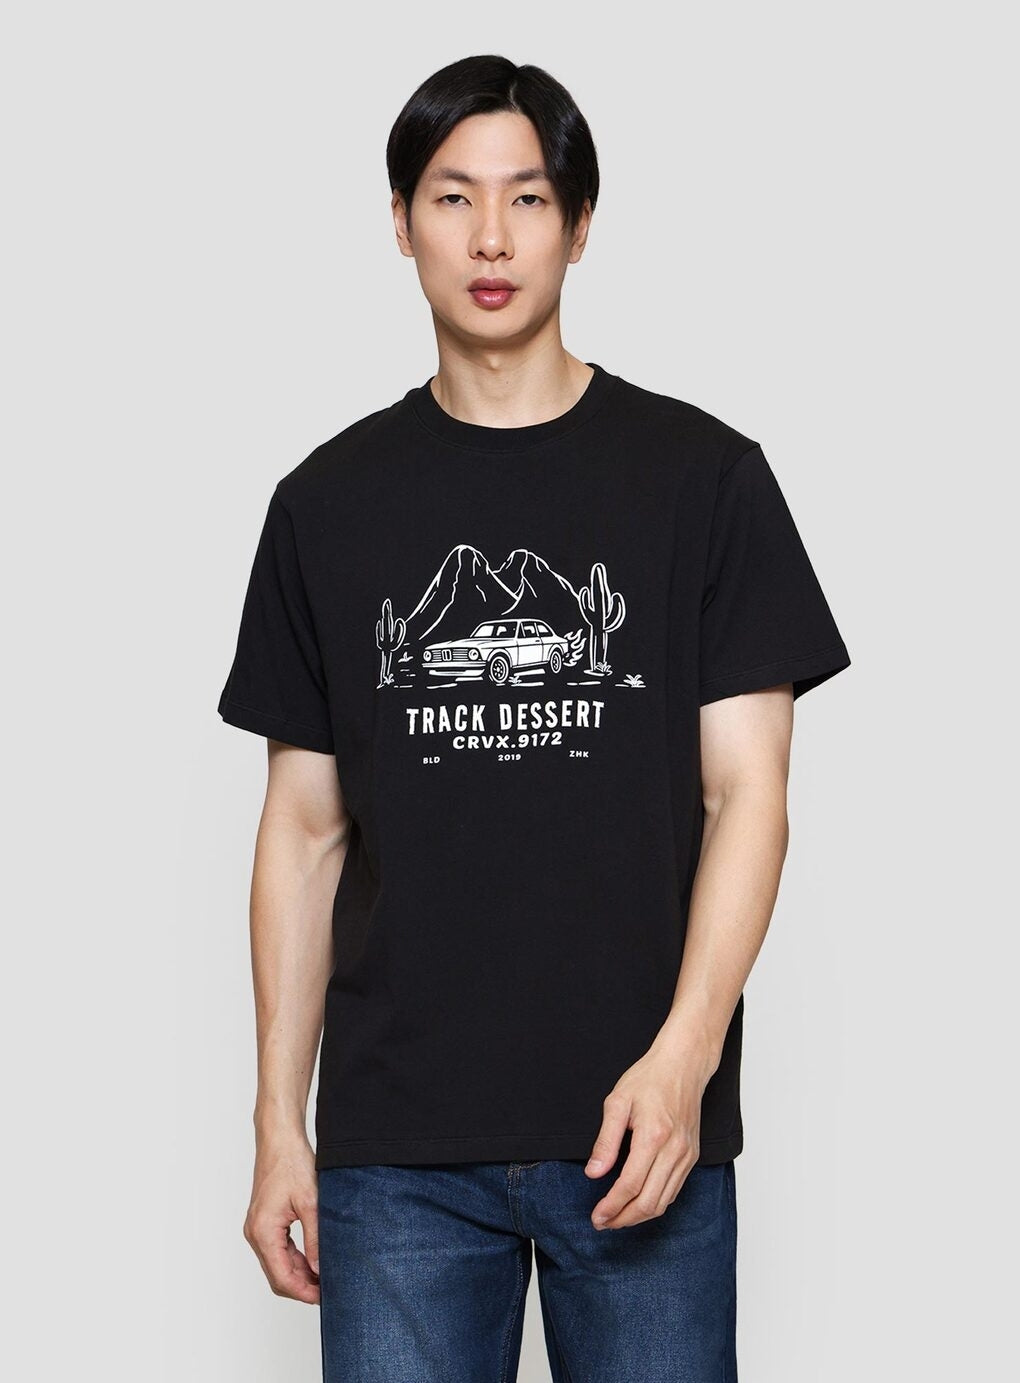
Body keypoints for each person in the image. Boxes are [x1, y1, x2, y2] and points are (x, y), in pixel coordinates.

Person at [217, 53, 851, 1383]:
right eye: (453, 199)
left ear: (580, 224)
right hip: (396, 1154)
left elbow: (749, 796)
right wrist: (279, 1121)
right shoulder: (326, 506)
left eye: (528, 199)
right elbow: (303, 833)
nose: (492, 239)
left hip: (640, 1130)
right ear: (402, 224)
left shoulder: (704, 481)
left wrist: (684, 1062)